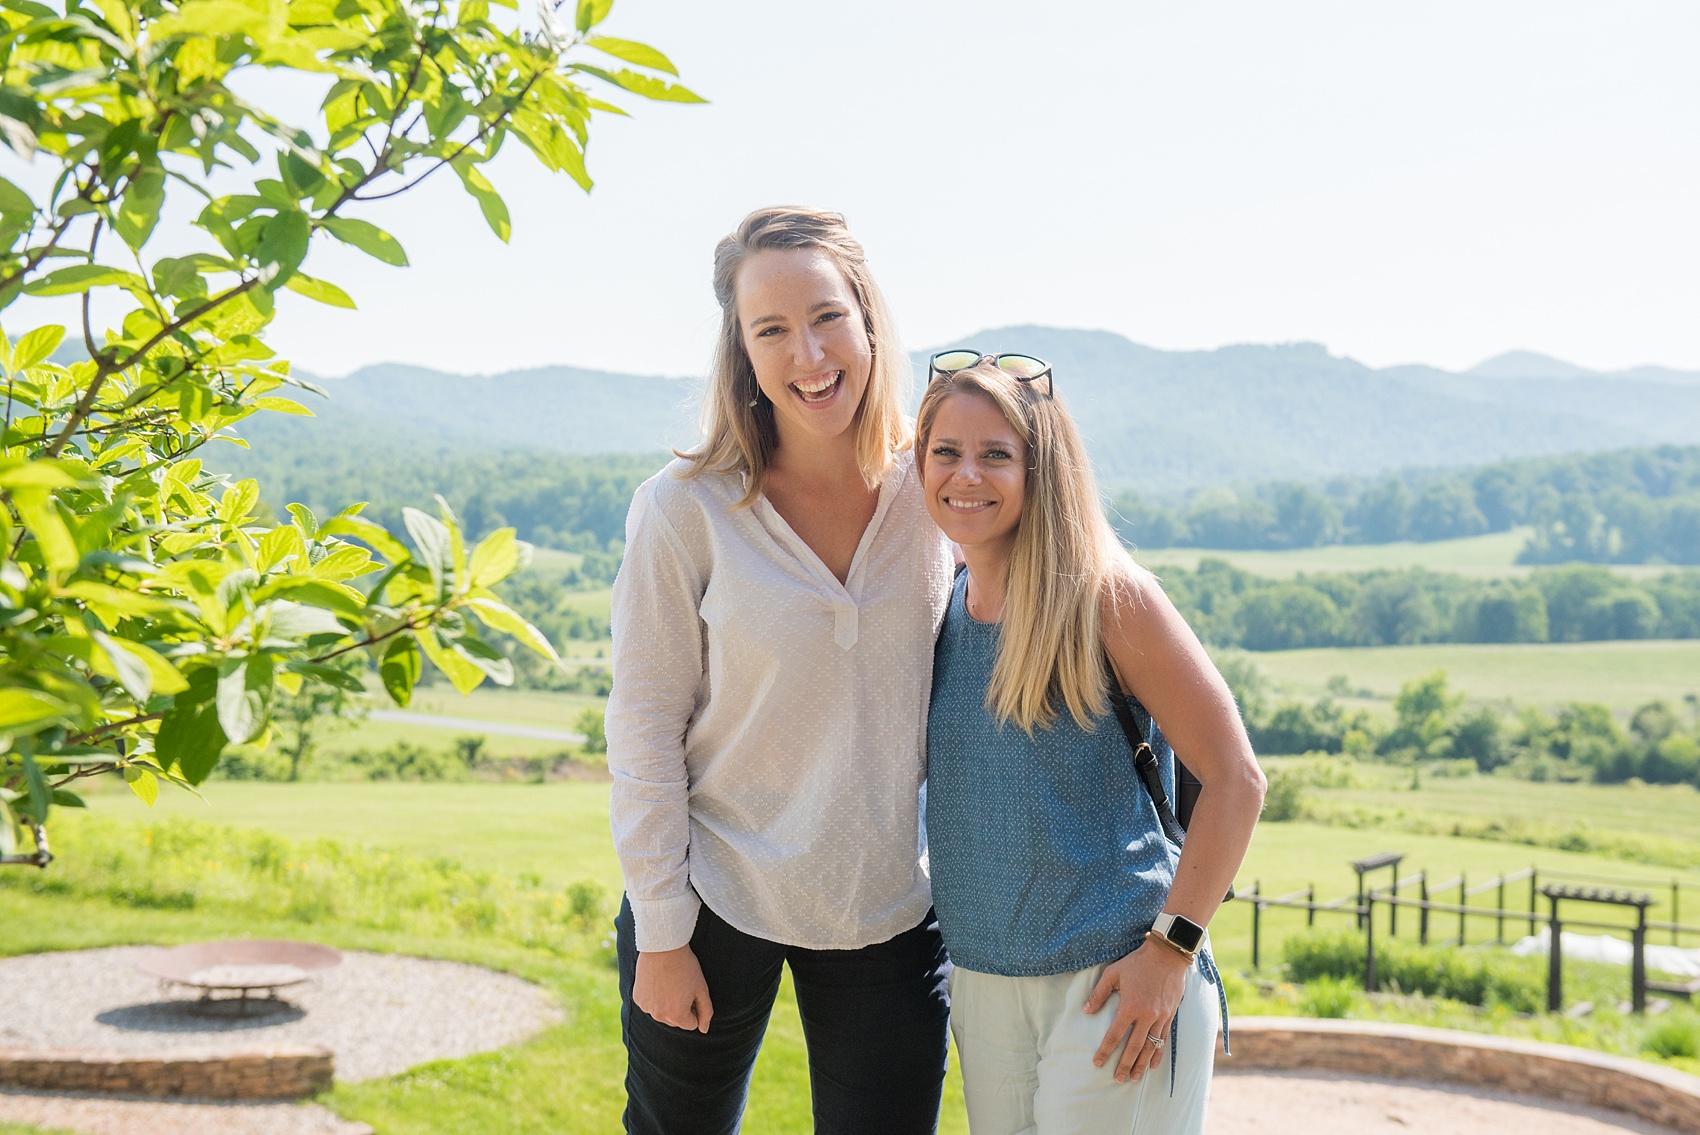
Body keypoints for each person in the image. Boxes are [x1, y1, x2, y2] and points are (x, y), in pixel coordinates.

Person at [604, 207, 955, 1135]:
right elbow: (644, 724)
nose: (808, 352)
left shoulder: (940, 490)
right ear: (744, 353)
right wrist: (664, 931)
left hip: (887, 903)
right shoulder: (686, 508)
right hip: (714, 895)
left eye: (827, 315)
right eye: (772, 329)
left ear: (868, 320)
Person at [916, 353, 1267, 1135]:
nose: (966, 473)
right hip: (982, 983)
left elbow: (1237, 778)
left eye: (996, 454)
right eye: (946, 451)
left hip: (1114, 979)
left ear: (1042, 467)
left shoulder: (1107, 596)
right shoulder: (940, 599)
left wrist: (1171, 953)